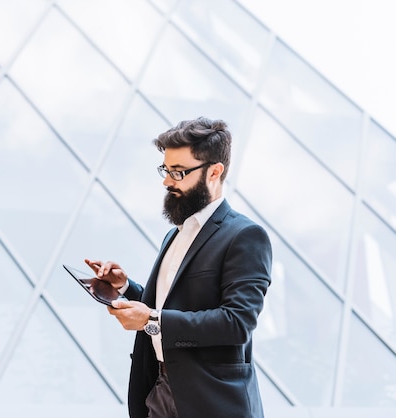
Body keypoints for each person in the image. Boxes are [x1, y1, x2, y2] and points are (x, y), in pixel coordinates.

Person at [85, 117, 272, 418]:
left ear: (214, 171)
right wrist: (125, 287)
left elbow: (237, 323)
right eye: (165, 169)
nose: (167, 181)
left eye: (178, 172)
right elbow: (169, 306)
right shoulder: (175, 235)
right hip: (160, 391)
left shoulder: (245, 236)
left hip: (212, 401)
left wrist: (152, 321)